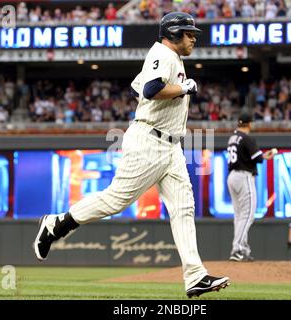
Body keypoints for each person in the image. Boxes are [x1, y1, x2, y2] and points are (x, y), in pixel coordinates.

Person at [34, 12, 230, 298]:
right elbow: (151, 90)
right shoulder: (163, 53)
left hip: (171, 146)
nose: (193, 38)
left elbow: (138, 84)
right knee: (115, 200)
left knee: (183, 208)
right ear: (173, 34)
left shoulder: (166, 57)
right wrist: (184, 88)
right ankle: (56, 224)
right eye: (189, 33)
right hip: (149, 140)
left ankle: (195, 276)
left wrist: (173, 88)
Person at [227, 113, 277, 262]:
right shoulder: (247, 138)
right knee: (248, 215)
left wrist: (264, 155)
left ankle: (243, 249)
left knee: (239, 216)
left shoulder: (232, 138)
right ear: (249, 124)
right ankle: (237, 249)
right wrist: (268, 155)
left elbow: (253, 157)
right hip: (244, 177)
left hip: (232, 177)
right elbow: (258, 159)